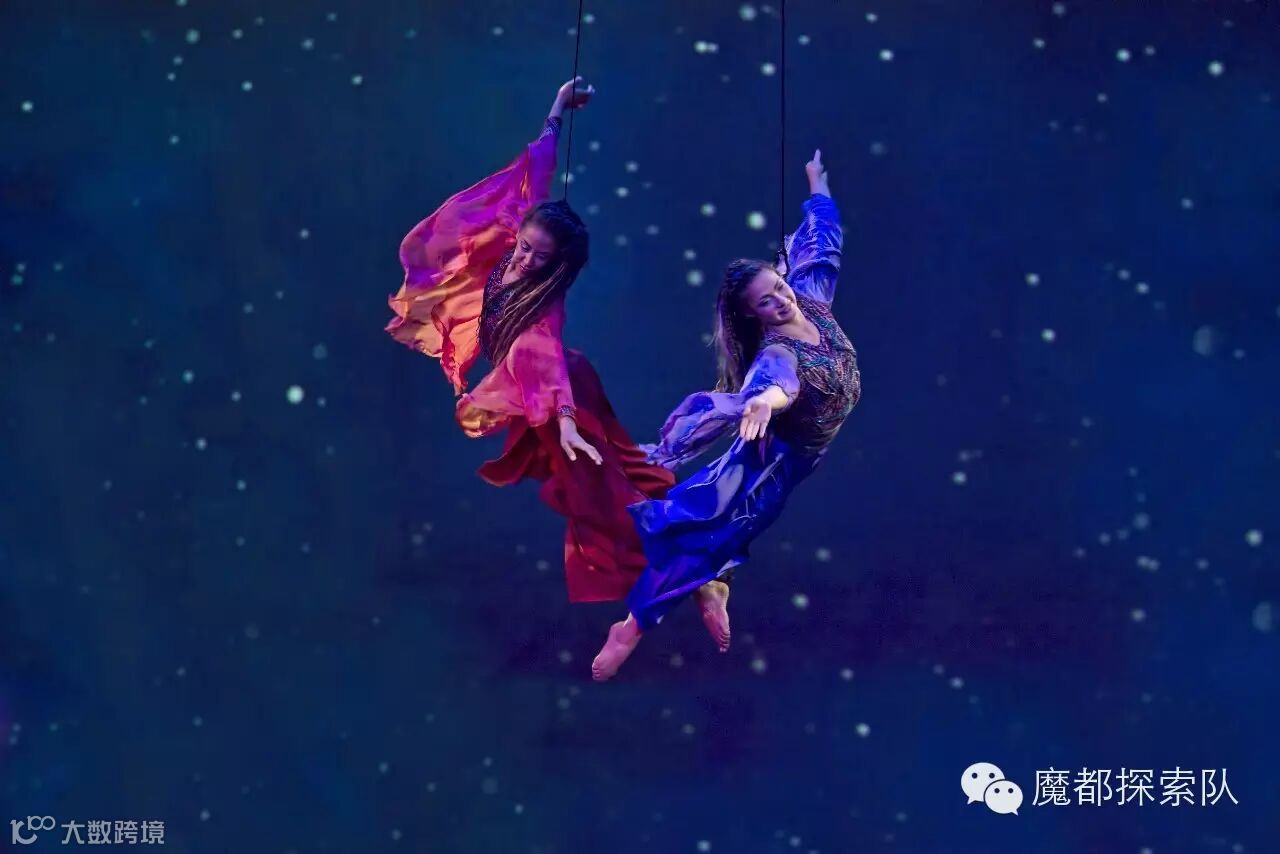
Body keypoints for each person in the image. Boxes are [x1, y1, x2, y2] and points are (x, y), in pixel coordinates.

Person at [386, 78, 674, 603]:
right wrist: (558, 108)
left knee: (591, 477)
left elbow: (545, 360)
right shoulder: (515, 233)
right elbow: (537, 170)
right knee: (591, 473)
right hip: (532, 392)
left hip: (560, 386)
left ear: (557, 262)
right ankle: (660, 536)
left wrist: (564, 421)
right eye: (524, 246)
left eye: (541, 257)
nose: (525, 259)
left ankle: (660, 546)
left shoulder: (545, 303)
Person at [591, 149, 862, 680]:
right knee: (707, 533)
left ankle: (717, 584)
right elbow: (778, 384)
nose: (780, 302)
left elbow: (823, 240)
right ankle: (632, 626)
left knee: (734, 532)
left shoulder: (809, 296)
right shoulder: (777, 352)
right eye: (766, 303)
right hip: (771, 456)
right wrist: (764, 401)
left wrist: (817, 184)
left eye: (778, 288)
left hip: (805, 456)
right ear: (752, 315)